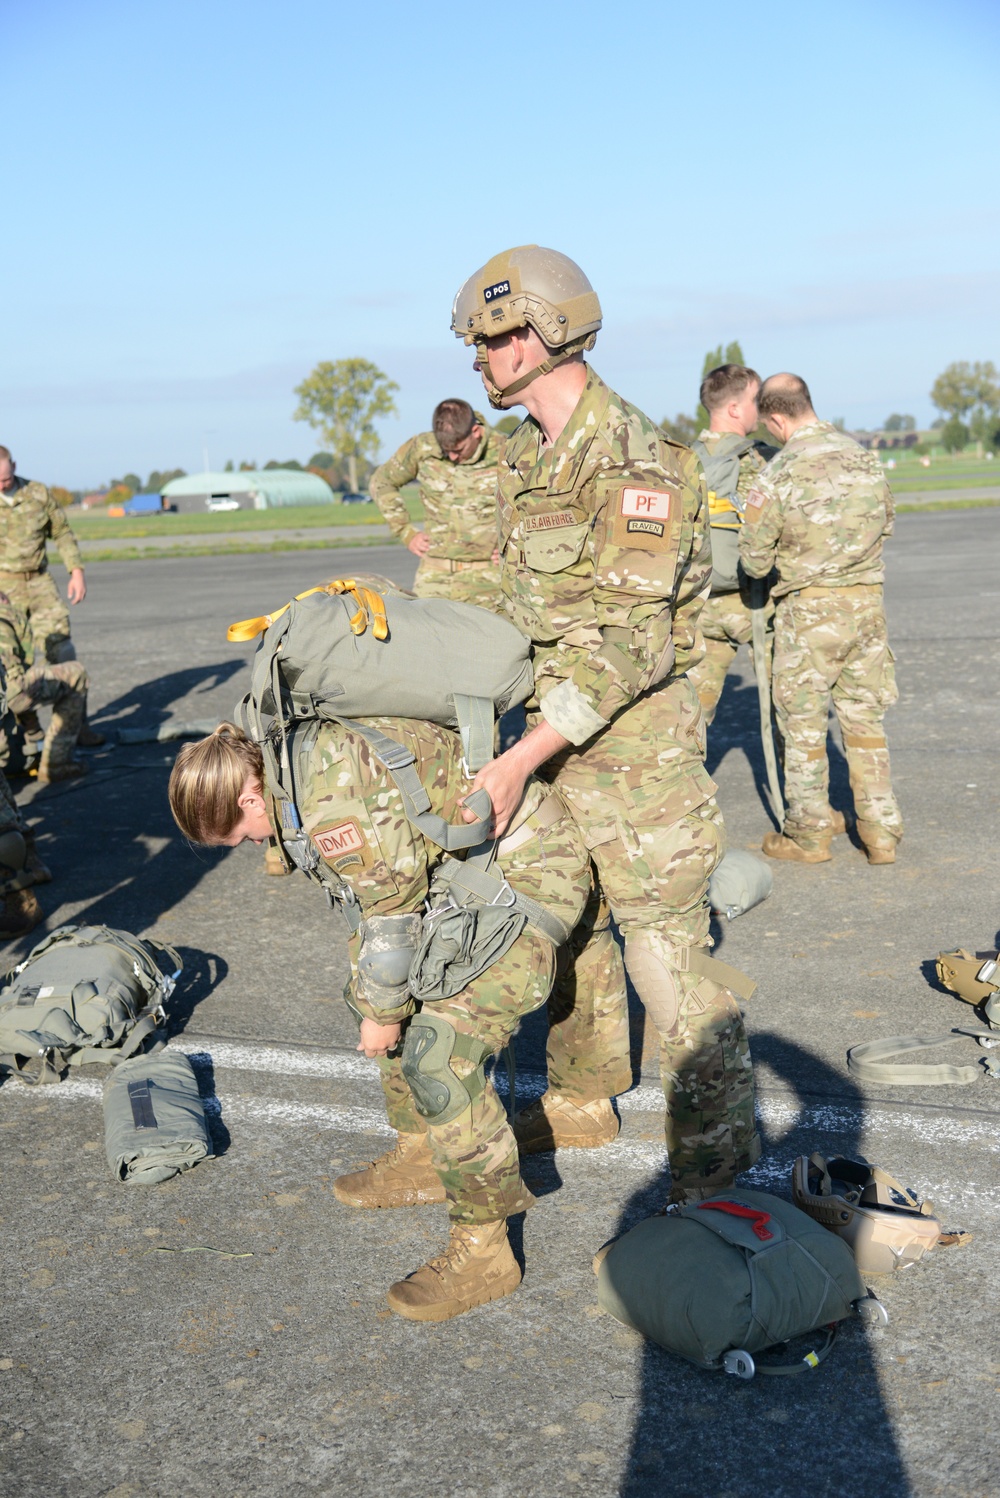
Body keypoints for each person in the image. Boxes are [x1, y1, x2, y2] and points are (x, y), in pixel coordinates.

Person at [449, 245, 760, 1206]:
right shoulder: (520, 456)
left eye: (495, 338)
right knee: (575, 935)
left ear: (546, 333)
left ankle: (720, 1181)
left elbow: (632, 646)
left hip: (633, 762)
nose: (482, 358)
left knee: (667, 967)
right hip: (551, 748)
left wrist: (520, 758)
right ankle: (586, 1096)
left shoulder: (632, 459)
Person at [168, 718, 592, 1321]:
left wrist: (384, 1013)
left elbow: (392, 910)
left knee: (441, 1053)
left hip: (528, 876)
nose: (248, 844)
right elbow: (378, 911)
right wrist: (377, 1004)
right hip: (465, 871)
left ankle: (485, 1249)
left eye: (238, 832)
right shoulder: (289, 763)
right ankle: (422, 1152)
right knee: (374, 990)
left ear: (248, 796)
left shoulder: (329, 788)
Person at [739, 374, 903, 864]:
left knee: (804, 726)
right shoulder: (865, 458)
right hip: (867, 608)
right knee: (865, 721)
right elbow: (887, 523)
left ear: (774, 418)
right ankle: (881, 833)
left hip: (808, 615)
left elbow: (754, 561)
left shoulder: (776, 474)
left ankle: (809, 834)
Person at [685, 364, 777, 723]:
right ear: (735, 409)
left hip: (698, 606)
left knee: (691, 718)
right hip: (755, 602)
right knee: (788, 711)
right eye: (757, 400)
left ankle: (682, 779)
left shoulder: (679, 459)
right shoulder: (761, 459)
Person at [0, 446, 103, 746]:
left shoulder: (38, 493)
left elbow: (62, 532)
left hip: (40, 583)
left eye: (5, 479)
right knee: (11, 664)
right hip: (4, 588)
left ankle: (76, 729)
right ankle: (26, 732)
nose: (2, 485)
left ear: (14, 467)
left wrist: (76, 571)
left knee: (63, 652)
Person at [369, 400, 503, 607]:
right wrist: (405, 531)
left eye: (458, 449)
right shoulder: (422, 447)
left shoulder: (505, 452)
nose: (452, 456)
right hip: (434, 576)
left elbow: (533, 502)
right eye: (445, 450)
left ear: (475, 431)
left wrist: (512, 547)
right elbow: (382, 482)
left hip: (489, 579)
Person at [0, 590, 88, 782]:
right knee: (76, 674)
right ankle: (56, 764)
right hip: (7, 692)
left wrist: (33, 732)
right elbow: (15, 687)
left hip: (7, 692)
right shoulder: (4, 613)